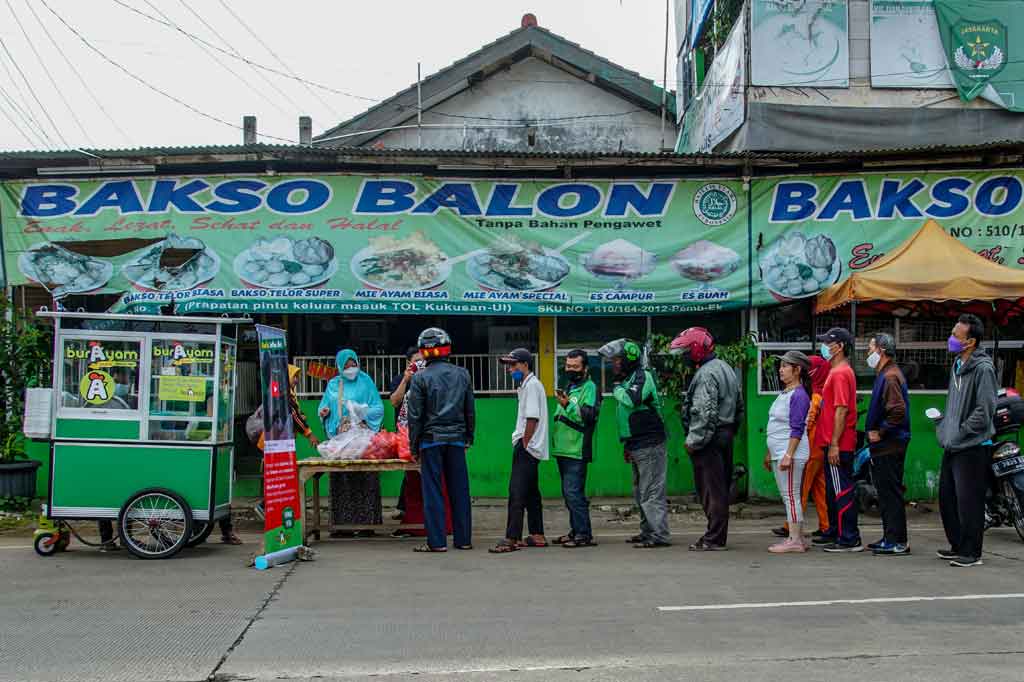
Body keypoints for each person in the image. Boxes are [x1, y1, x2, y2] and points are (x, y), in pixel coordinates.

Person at [673, 327, 743, 551]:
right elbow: (739, 406)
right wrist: (731, 431)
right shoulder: (725, 368)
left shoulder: (705, 374)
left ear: (696, 350)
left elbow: (705, 412)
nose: (683, 356)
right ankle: (716, 536)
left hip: (709, 439)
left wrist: (694, 441)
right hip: (725, 434)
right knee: (719, 488)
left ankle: (714, 539)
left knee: (711, 491)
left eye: (685, 351)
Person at [936, 314, 997, 568]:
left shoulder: (983, 369)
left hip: (973, 446)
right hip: (953, 444)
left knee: (969, 501)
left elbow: (984, 411)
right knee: (947, 497)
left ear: (970, 341)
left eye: (956, 336)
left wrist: (960, 432)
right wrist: (943, 428)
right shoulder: (957, 366)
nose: (951, 339)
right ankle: (958, 545)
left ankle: (972, 552)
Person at [406, 327, 475, 553]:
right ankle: (463, 540)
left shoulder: (420, 378)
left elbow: (415, 416)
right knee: (460, 490)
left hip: (430, 440)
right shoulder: (463, 374)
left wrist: (413, 446)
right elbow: (469, 410)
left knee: (433, 492)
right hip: (456, 439)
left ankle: (437, 542)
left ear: (423, 351)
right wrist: (468, 437)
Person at [599, 338, 670, 549]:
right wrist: (627, 445)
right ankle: (647, 531)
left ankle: (659, 534)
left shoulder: (642, 377)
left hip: (651, 443)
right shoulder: (630, 378)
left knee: (651, 492)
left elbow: (632, 400)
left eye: (617, 360)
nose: (614, 364)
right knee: (641, 493)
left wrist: (617, 388)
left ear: (629, 359)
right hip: (637, 444)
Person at [319, 349, 385, 536]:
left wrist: (362, 412)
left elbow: (378, 408)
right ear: (339, 366)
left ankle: (367, 525)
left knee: (366, 477)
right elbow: (324, 406)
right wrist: (324, 412)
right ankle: (342, 526)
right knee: (342, 479)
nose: (351, 369)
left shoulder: (366, 381)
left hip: (363, 439)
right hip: (341, 440)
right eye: (346, 366)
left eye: (353, 364)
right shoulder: (333, 384)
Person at [491, 348, 549, 554]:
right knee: (531, 493)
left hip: (527, 446)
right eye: (509, 365)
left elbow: (532, 418)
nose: (510, 369)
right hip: (530, 446)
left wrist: (524, 443)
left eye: (513, 365)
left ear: (525, 364)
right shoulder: (526, 386)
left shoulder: (532, 386)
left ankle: (512, 537)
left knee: (516, 492)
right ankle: (537, 534)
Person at [812, 327, 862, 553]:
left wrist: (834, 443)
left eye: (828, 343)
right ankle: (835, 531)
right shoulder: (836, 371)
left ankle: (848, 537)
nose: (825, 347)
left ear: (840, 347)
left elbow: (841, 410)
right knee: (834, 491)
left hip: (839, 445)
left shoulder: (841, 373)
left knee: (841, 490)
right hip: (832, 442)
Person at [774, 354, 830, 540]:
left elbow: (804, 425)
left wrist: (789, 452)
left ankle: (791, 529)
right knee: (818, 489)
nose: (781, 369)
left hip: (809, 449)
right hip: (819, 447)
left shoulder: (809, 395)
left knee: (797, 491)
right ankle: (825, 525)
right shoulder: (820, 393)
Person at [864, 332, 911, 556]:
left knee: (891, 493)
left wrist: (880, 432)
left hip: (890, 445)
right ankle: (889, 536)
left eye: (871, 348)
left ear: (881, 350)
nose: (868, 353)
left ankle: (897, 541)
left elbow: (898, 410)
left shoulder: (890, 376)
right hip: (886, 445)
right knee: (885, 493)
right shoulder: (885, 373)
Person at [763, 350, 812, 553]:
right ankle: (796, 537)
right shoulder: (785, 393)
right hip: (780, 451)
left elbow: (797, 428)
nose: (781, 370)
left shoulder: (799, 395)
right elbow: (776, 424)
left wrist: (788, 454)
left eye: (785, 366)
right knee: (789, 496)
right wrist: (769, 452)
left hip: (790, 452)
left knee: (791, 496)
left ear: (797, 369)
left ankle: (794, 541)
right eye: (781, 366)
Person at [551, 349, 599, 548]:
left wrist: (566, 405)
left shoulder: (590, 388)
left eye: (575, 367)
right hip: (563, 449)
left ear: (585, 368)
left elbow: (587, 416)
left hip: (577, 449)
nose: (570, 370)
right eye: (568, 366)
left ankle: (583, 534)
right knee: (569, 493)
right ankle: (575, 530)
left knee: (574, 493)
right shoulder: (570, 386)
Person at [388, 346, 422, 529]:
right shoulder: (400, 379)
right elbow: (394, 401)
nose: (420, 364)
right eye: (417, 360)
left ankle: (412, 512)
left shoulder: (429, 378)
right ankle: (406, 509)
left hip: (424, 436)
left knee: (419, 473)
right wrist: (406, 380)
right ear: (409, 362)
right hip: (404, 436)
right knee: (410, 473)